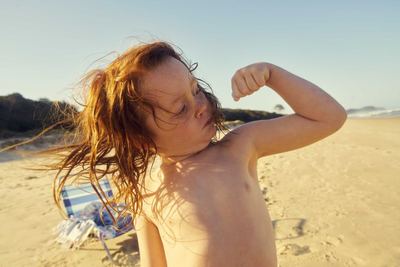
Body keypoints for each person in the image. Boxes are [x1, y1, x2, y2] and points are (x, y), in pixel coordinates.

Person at [3, 40, 347, 266]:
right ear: (139, 139)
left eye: (195, 89)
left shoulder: (240, 146)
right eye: (179, 108)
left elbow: (329, 117)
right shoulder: (147, 188)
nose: (199, 105)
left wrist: (273, 74)